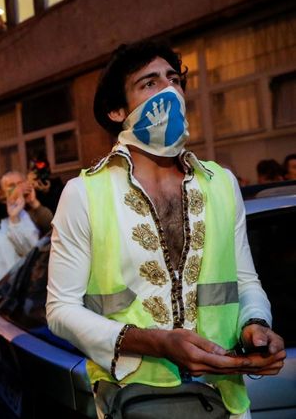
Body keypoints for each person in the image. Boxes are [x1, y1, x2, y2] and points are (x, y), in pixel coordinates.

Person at [46, 41, 285, 418]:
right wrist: (155, 342)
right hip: (133, 400)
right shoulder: (85, 194)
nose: (170, 91)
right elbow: (60, 309)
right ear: (117, 111)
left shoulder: (221, 183)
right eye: (150, 83)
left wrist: (255, 324)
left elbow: (245, 282)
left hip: (224, 399)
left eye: (174, 80)